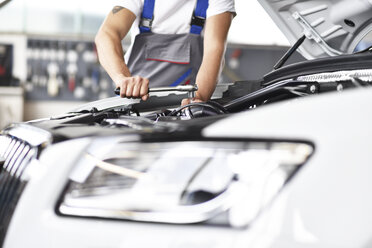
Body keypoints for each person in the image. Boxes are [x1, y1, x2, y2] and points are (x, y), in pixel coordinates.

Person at [95, 0, 235, 105]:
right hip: (135, 105)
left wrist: (198, 99)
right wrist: (123, 79)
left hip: (186, 105)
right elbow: (107, 34)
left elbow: (215, 49)